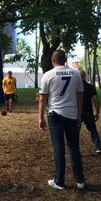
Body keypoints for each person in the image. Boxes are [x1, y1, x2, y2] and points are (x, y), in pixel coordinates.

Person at [38, 50, 85, 190]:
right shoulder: (76, 73)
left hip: (55, 114)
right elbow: (80, 96)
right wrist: (79, 115)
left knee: (58, 148)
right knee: (74, 147)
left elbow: (42, 98)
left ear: (52, 61)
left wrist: (40, 117)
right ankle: (80, 181)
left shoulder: (48, 75)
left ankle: (59, 181)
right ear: (65, 60)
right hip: (72, 114)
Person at [79, 70, 101, 154]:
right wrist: (97, 112)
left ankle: (72, 147)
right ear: (84, 76)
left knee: (74, 131)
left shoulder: (73, 87)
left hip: (77, 112)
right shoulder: (90, 87)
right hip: (88, 111)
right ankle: (98, 147)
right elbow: (96, 100)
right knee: (93, 130)